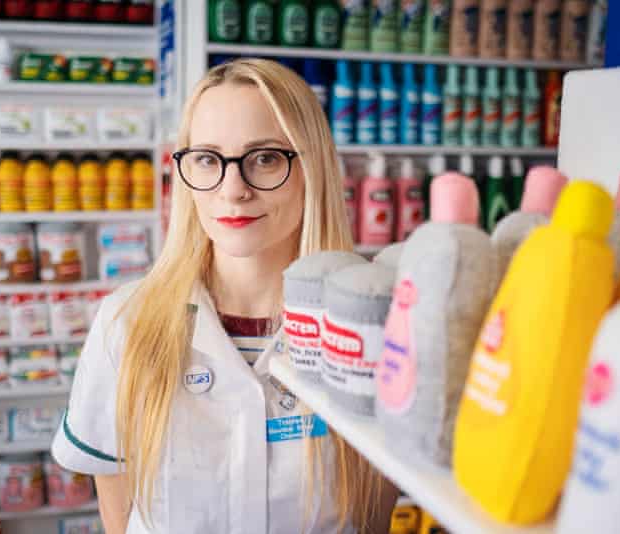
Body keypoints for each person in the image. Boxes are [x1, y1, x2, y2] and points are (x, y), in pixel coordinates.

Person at [51, 58, 397, 533]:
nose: (233, 190)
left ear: (311, 166)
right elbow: (119, 511)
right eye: (208, 160)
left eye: (266, 158)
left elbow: (373, 510)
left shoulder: (371, 327)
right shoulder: (126, 323)